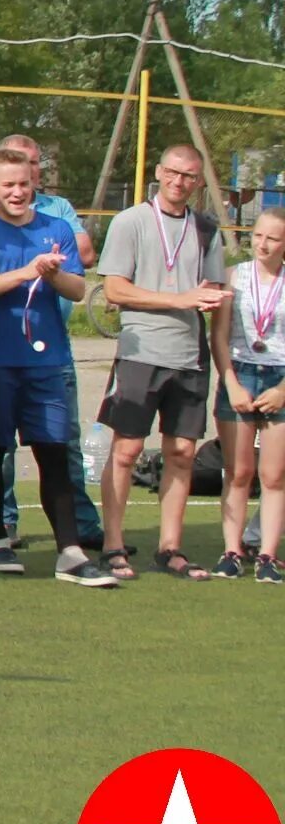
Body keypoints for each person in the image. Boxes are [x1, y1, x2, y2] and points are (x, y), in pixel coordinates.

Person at [0, 147, 113, 585]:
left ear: (34, 184)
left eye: (24, 184)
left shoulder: (57, 227)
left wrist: (50, 275)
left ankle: (70, 551)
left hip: (47, 364)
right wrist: (24, 273)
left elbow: (78, 289)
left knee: (54, 453)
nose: (17, 192)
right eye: (8, 184)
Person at [96, 144, 229, 581]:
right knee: (127, 450)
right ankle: (112, 544)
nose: (180, 182)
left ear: (198, 181)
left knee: (182, 452)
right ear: (158, 172)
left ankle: (170, 547)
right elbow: (115, 289)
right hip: (140, 352)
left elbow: (211, 288)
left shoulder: (207, 228)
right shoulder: (130, 221)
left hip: (189, 356)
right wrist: (179, 299)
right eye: (173, 173)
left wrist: (213, 298)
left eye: (190, 176)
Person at [209, 206, 285, 581]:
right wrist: (231, 382)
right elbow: (219, 336)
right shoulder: (233, 278)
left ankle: (267, 556)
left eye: (272, 238)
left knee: (273, 475)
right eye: (258, 236)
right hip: (239, 374)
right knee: (238, 472)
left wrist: (283, 391)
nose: (263, 244)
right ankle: (231, 551)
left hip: (280, 378)